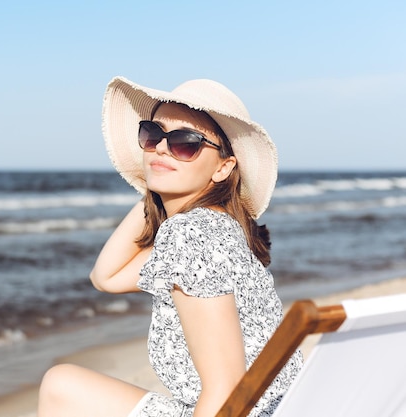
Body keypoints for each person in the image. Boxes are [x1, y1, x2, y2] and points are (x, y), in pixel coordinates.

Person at [37, 76, 303, 417]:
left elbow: (226, 390)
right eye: (152, 135)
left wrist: (160, 182)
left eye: (186, 143)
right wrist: (156, 187)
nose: (161, 148)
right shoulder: (217, 227)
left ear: (223, 167)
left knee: (61, 387)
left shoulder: (191, 233)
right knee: (62, 384)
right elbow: (107, 277)